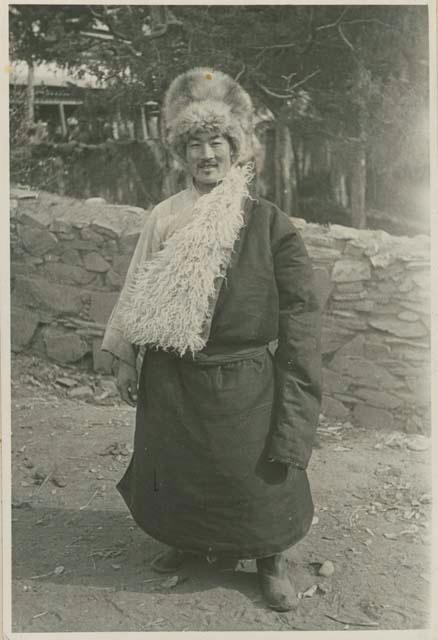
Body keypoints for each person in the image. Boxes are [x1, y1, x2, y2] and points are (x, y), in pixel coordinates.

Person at [102, 67, 322, 612]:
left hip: (245, 376)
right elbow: (137, 285)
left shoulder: (268, 222)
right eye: (195, 144)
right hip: (175, 371)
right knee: (181, 463)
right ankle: (187, 539)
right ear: (181, 154)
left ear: (236, 149)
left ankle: (270, 558)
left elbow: (300, 308)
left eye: (217, 142)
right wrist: (125, 357)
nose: (207, 154)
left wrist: (300, 380)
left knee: (254, 472)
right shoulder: (165, 217)